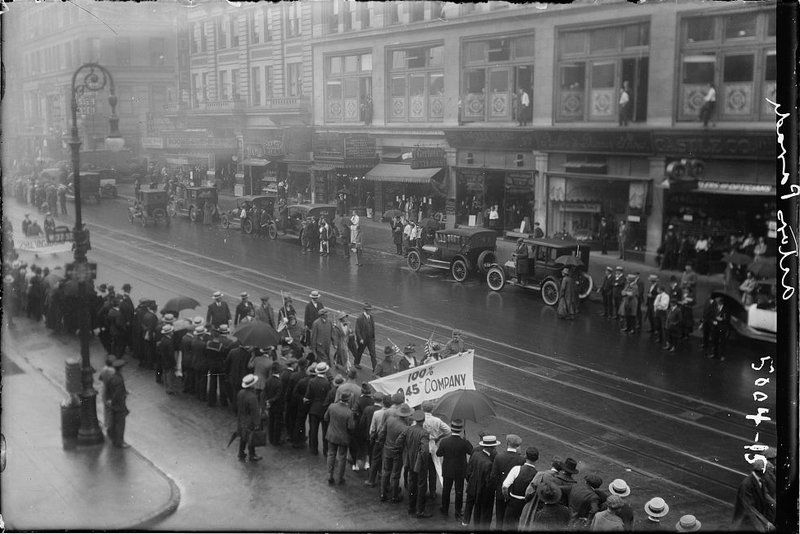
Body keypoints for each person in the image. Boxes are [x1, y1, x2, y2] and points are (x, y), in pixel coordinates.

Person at [398, 409, 433, 518]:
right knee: (422, 486)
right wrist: (425, 462)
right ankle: (420, 511)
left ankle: (411, 508)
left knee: (412, 484)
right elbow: (425, 451)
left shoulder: (408, 429)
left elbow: (398, 441)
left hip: (409, 461)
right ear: (423, 420)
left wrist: (406, 451)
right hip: (420, 464)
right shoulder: (424, 433)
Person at [463, 434, 499, 528]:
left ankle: (466, 522)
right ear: (492, 448)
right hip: (481, 491)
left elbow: (468, 471)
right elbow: (488, 483)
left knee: (471, 505)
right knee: (479, 511)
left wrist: (470, 481)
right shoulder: (489, 463)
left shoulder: (475, 454)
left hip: (472, 485)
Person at [379, 402, 413, 502]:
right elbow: (407, 444)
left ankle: (383, 494)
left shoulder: (389, 420)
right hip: (398, 453)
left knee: (386, 472)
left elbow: (382, 433)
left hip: (387, 449)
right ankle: (394, 496)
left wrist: (382, 444)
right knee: (395, 474)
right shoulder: (405, 428)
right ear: (407, 416)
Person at [491, 434, 525, 527]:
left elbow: (493, 476)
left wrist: (497, 488)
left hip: (500, 493)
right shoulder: (521, 459)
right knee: (511, 521)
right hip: (513, 495)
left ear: (507, 443)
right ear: (518, 446)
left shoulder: (499, 457)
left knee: (499, 518)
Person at [502, 447, 539, 530]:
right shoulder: (537, 474)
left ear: (525, 456)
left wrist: (507, 497)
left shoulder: (516, 469)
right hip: (526, 504)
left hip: (513, 502)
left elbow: (504, 487)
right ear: (537, 459)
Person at [324, 390, 355, 485]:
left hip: (331, 435)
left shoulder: (332, 406)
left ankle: (330, 475)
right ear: (348, 400)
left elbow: (326, 418)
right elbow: (351, 427)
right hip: (343, 438)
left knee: (331, 454)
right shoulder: (349, 412)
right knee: (342, 457)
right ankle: (340, 478)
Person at [304, 362, 332, 456]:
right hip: (324, 409)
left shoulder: (312, 381)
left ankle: (313, 449)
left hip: (313, 408)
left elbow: (308, 396)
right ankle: (326, 450)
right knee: (325, 431)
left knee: (313, 430)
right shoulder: (327, 383)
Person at [106, 358, 131, 448]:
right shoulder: (119, 380)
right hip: (119, 405)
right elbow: (118, 394)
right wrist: (124, 394)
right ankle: (120, 442)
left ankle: (113, 438)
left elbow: (108, 389)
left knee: (114, 422)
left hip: (113, 405)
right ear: (120, 369)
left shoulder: (112, 378)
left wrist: (109, 400)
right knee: (120, 424)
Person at [237, 374, 262, 462]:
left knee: (243, 436)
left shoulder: (240, 393)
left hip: (241, 418)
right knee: (251, 437)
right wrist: (257, 423)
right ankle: (252, 454)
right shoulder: (252, 397)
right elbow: (255, 412)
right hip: (249, 420)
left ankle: (241, 453)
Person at [263, 362, 284, 445]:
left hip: (270, 405)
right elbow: (278, 396)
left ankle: (271, 438)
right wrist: (271, 400)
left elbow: (265, 392)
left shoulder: (268, 380)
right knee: (277, 423)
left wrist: (267, 401)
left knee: (271, 422)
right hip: (277, 405)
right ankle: (276, 440)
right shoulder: (279, 382)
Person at [354, 302, 376, 370]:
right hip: (363, 339)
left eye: (371, 310)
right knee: (360, 351)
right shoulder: (360, 318)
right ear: (366, 310)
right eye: (369, 310)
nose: (370, 311)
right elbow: (357, 330)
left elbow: (372, 327)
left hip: (370, 339)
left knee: (373, 353)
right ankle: (356, 363)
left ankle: (375, 368)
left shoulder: (371, 317)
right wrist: (360, 338)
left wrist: (373, 337)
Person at [708, 296, 730, 361]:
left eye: (717, 303)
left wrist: (722, 319)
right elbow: (711, 316)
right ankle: (715, 354)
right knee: (715, 341)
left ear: (721, 303)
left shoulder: (726, 309)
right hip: (715, 327)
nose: (716, 304)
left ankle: (722, 355)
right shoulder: (714, 308)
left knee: (722, 342)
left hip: (722, 328)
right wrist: (713, 321)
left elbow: (728, 319)